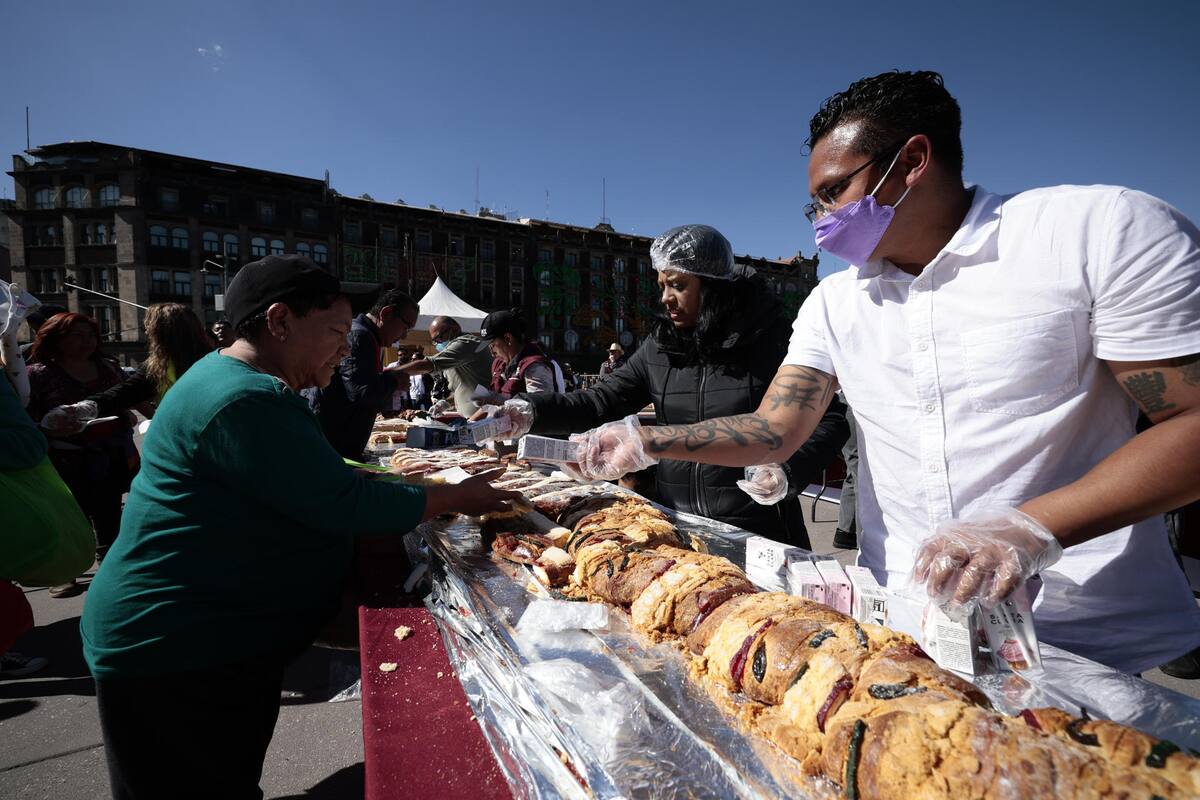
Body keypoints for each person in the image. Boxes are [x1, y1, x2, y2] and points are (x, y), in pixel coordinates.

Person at [566, 70, 1200, 676]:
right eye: (813, 204)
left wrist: (1033, 527)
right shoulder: (835, 303)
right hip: (903, 622)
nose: (821, 219)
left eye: (833, 192)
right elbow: (773, 429)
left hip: (1079, 633)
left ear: (912, 161)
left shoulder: (1097, 232)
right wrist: (647, 440)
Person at [80, 254, 520, 800]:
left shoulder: (230, 377)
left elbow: (309, 478)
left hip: (206, 636)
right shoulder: (245, 396)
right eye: (335, 332)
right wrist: (456, 495)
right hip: (176, 647)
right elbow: (343, 503)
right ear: (280, 321)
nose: (347, 348)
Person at [491, 225, 847, 547]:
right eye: (662, 285)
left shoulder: (772, 340)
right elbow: (600, 400)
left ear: (711, 284)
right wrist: (531, 410)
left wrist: (788, 468)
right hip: (680, 525)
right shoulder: (660, 347)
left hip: (762, 529)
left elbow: (830, 418)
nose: (665, 297)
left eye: (678, 285)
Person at [26, 312, 138, 588]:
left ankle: (111, 571)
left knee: (109, 514)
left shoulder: (108, 368)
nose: (86, 341)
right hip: (62, 459)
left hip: (108, 455)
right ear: (56, 338)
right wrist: (49, 428)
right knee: (69, 517)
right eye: (77, 335)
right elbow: (25, 420)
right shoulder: (37, 375)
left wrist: (127, 417)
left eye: (90, 335)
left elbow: (125, 401)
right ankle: (65, 573)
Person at [41, 303, 212, 435]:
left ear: (164, 332)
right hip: (179, 438)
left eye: (149, 328)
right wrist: (84, 408)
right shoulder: (158, 365)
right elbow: (126, 392)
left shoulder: (213, 362)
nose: (147, 333)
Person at [304, 286, 420, 460]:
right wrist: (394, 381)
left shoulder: (369, 337)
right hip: (333, 446)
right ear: (386, 313)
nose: (404, 335)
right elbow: (362, 392)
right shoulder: (361, 336)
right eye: (406, 326)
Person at [390, 316, 493, 417]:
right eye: (434, 341)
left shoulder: (465, 344)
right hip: (471, 417)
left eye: (439, 338)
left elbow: (428, 364)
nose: (437, 343)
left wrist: (391, 373)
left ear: (453, 330)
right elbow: (464, 389)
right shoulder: (458, 357)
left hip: (482, 418)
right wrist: (446, 403)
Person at [479, 309, 562, 396]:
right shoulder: (498, 364)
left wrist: (502, 403)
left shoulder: (535, 366)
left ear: (508, 338)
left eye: (492, 346)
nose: (492, 354)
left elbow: (540, 402)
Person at [832, 399, 860, 550]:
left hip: (848, 404)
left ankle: (845, 531)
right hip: (852, 403)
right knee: (860, 471)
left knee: (855, 470)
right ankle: (852, 533)